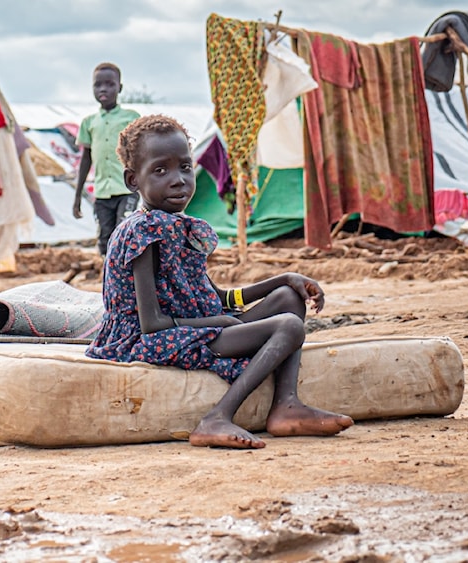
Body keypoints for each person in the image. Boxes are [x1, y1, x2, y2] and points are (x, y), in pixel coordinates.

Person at [85, 114, 354, 449]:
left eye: (185, 167)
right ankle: (216, 417)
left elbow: (222, 299)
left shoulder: (180, 226)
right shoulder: (143, 230)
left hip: (193, 328)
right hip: (147, 339)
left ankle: (286, 406)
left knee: (289, 299)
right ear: (132, 180)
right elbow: (151, 324)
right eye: (160, 170)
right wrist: (218, 323)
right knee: (289, 327)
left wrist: (283, 279)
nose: (178, 179)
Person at [73, 62, 141, 258]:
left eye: (110, 84)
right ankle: (109, 275)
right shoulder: (89, 123)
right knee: (105, 238)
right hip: (102, 192)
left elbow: (143, 154)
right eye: (98, 85)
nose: (103, 89)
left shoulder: (131, 118)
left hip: (127, 189)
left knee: (124, 229)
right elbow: (85, 160)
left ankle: (129, 274)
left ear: (119, 88)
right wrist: (77, 195)